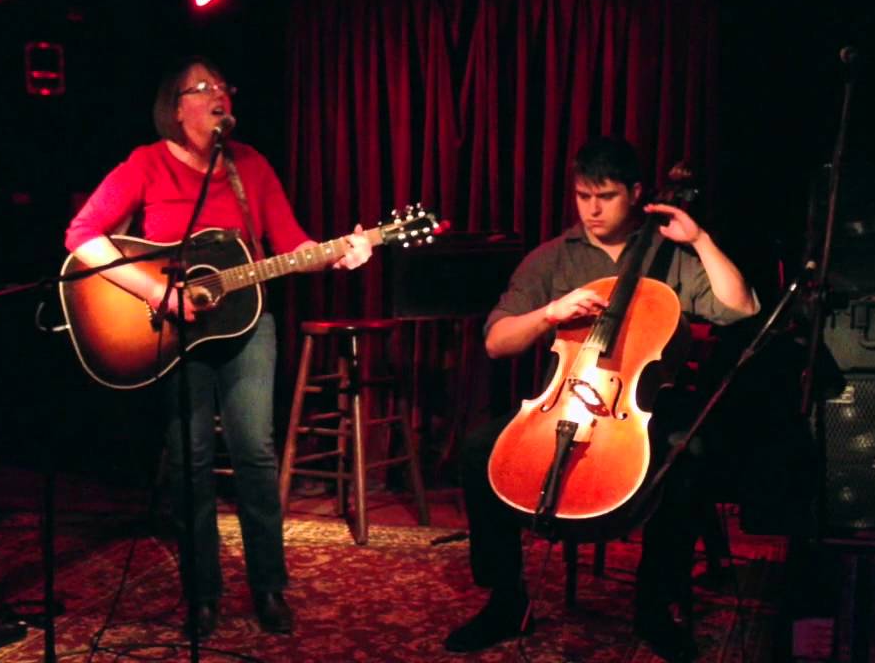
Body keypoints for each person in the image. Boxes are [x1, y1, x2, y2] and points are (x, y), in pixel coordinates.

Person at [63, 55, 371, 637]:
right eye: (202, 88)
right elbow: (82, 237)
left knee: (255, 451)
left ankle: (268, 587)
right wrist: (157, 290)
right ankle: (201, 594)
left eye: (223, 85)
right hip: (174, 334)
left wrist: (340, 249)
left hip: (247, 325)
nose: (218, 94)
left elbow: (293, 243)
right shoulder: (147, 164)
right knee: (190, 460)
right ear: (176, 109)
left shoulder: (249, 165)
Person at [443, 137, 760, 660]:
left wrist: (699, 239)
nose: (591, 209)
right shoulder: (552, 258)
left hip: (642, 406)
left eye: (606, 196)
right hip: (563, 399)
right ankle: (506, 600)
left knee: (686, 462)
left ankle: (654, 606)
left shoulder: (673, 254)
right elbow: (497, 342)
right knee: (480, 451)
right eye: (582, 195)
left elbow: (741, 307)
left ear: (635, 194)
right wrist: (549, 312)